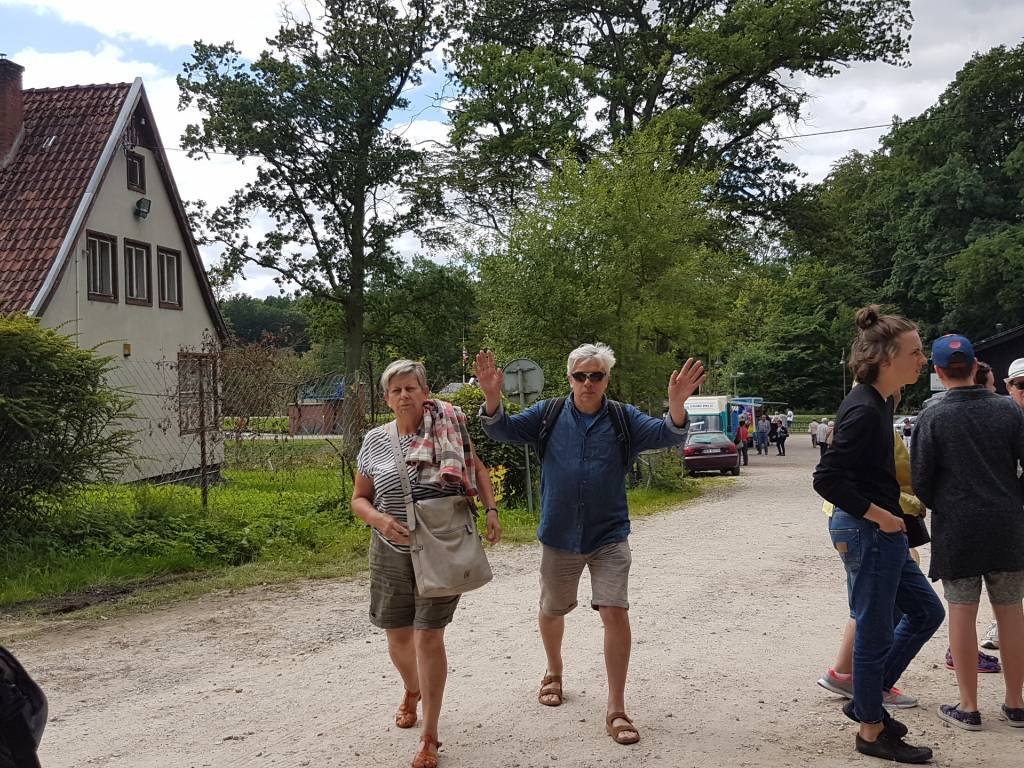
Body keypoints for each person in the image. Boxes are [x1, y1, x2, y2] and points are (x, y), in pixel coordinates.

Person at [475, 344, 704, 746]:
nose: (588, 382)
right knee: (552, 609)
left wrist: (676, 405)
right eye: (580, 375)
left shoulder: (623, 418)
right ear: (569, 378)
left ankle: (616, 707)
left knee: (615, 611)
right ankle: (554, 671)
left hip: (608, 535)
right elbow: (501, 429)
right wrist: (493, 398)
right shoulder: (547, 414)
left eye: (596, 375)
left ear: (606, 380)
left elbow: (667, 434)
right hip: (559, 535)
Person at [351, 359, 502, 768]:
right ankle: (412, 689)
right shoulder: (374, 441)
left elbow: (476, 467)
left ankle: (430, 736)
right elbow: (359, 499)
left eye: (411, 388)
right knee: (398, 638)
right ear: (386, 398)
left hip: (442, 545)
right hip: (390, 551)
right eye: (396, 390)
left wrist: (491, 510)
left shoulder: (447, 425)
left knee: (428, 638)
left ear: (425, 392)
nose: (404, 395)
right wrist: (380, 519)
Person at [813, 306, 945, 764]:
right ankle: (871, 731)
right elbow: (826, 479)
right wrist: (881, 516)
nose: (923, 360)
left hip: (880, 531)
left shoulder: (881, 401)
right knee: (873, 633)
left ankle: (865, 703)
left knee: (926, 612)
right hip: (867, 530)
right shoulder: (865, 410)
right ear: (886, 357)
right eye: (915, 352)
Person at [912, 336, 1024, 732]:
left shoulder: (933, 415)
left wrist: (944, 503)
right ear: (976, 366)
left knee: (962, 611)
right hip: (1006, 524)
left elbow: (921, 480)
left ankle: (969, 706)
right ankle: (1016, 703)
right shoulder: (1008, 410)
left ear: (938, 372)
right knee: (1011, 612)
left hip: (957, 526)